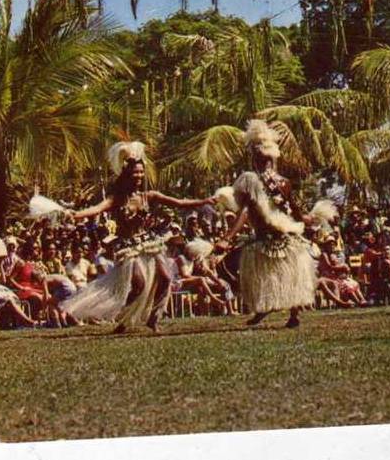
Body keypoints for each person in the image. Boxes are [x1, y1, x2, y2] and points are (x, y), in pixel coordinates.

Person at [52, 141, 215, 333]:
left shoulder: (149, 196)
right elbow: (95, 209)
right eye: (135, 172)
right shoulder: (117, 199)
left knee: (165, 278)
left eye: (140, 172)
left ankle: (154, 318)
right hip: (128, 248)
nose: (139, 175)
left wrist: (204, 201)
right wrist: (74, 214)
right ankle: (123, 319)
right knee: (139, 284)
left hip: (149, 243)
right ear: (127, 175)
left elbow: (179, 202)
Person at [216, 120, 318, 329]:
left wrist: (227, 238)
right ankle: (277, 312)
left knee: (288, 275)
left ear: (256, 158)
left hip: (278, 237)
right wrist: (305, 219)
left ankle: (289, 314)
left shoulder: (255, 180)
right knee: (274, 276)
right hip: (272, 238)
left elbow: (246, 211)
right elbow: (295, 212)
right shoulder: (279, 181)